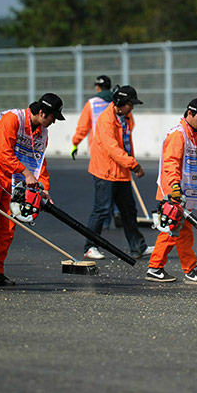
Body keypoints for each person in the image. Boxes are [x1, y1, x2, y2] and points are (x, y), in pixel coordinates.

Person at [0, 93, 64, 286]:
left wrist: (44, 188)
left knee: (8, 227)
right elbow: (4, 152)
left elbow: (39, 163)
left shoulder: (42, 133)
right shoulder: (12, 119)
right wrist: (26, 173)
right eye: (53, 117)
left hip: (13, 181)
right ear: (41, 112)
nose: (54, 122)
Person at [146, 98, 197, 285]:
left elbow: (193, 166)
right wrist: (175, 187)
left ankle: (189, 269)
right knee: (170, 230)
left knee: (183, 232)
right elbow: (171, 164)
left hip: (185, 193)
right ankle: (156, 267)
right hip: (173, 192)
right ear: (189, 113)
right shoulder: (179, 134)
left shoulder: (194, 135)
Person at [86, 85, 153, 260]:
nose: (132, 107)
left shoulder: (125, 117)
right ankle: (90, 246)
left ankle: (138, 247)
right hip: (105, 171)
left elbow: (126, 141)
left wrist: (129, 164)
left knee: (129, 210)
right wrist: (134, 165)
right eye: (130, 104)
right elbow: (113, 149)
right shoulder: (105, 120)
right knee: (101, 210)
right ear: (120, 102)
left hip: (121, 171)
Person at [71, 75, 116, 258]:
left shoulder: (92, 104)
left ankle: (104, 222)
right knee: (116, 187)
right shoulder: (118, 102)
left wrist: (75, 143)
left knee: (102, 193)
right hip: (117, 151)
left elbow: (83, 127)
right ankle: (114, 213)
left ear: (98, 87)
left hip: (98, 152)